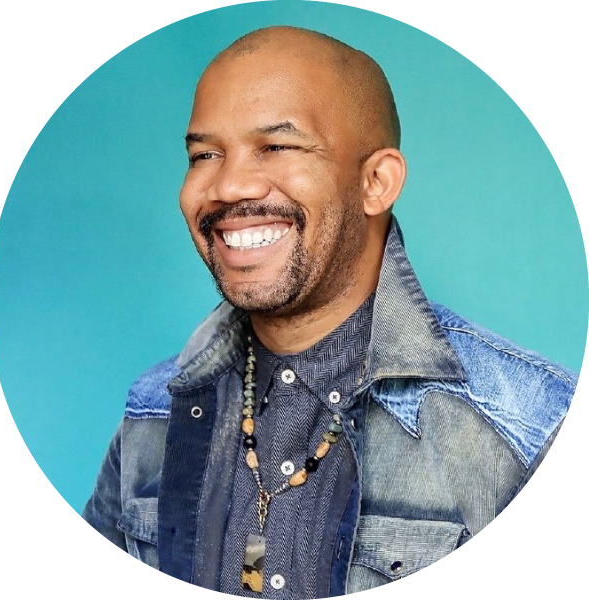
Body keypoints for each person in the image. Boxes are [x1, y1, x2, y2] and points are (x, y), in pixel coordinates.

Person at [82, 26, 577, 598]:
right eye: (205, 155)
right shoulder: (152, 413)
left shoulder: (533, 428)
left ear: (375, 182)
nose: (229, 185)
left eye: (277, 147)